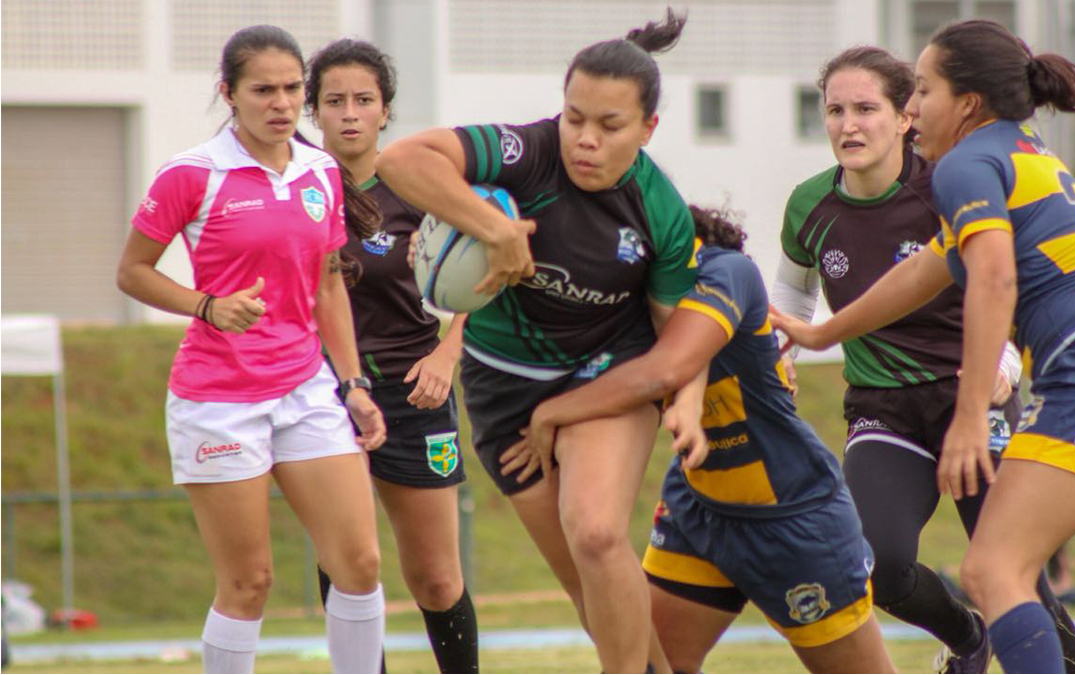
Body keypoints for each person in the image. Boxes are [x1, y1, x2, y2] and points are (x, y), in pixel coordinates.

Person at [771, 19, 1075, 673]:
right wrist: (820, 332)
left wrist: (972, 413)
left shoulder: (963, 163)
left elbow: (994, 278)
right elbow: (934, 265)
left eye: (921, 90)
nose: (912, 108)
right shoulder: (1021, 148)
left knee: (994, 568)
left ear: (967, 103)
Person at [375, 9, 697, 672]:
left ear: (648, 128)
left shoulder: (660, 210)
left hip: (605, 376)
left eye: (609, 126)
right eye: (574, 116)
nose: (584, 138)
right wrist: (492, 230)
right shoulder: (528, 152)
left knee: (599, 532)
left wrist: (687, 398)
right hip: (501, 391)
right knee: (586, 583)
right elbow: (402, 159)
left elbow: (677, 335)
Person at [499, 205, 896, 673]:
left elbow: (680, 359)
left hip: (793, 519)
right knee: (646, 664)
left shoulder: (726, 271)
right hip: (698, 513)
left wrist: (552, 414)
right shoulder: (630, 298)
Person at [115, 25, 388, 674]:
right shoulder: (193, 173)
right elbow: (133, 272)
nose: (282, 103)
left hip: (306, 388)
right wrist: (207, 305)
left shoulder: (322, 169)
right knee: (249, 583)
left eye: (294, 89)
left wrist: (353, 383)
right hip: (218, 400)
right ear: (228, 94)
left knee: (360, 564)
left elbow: (328, 285)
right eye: (263, 90)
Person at [307, 38, 477, 673]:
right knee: (348, 567)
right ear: (313, 112)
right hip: (323, 399)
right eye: (333, 101)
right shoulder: (300, 186)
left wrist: (447, 354)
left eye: (363, 100)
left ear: (385, 111)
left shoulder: (418, 184)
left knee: (436, 578)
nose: (349, 113)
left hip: (416, 393)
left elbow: (489, 268)